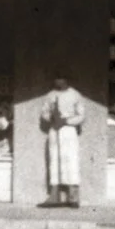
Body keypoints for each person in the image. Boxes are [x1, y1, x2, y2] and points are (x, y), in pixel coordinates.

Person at [40, 76, 85, 208]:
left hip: (68, 130)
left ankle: (73, 197)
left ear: (67, 79)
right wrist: (51, 117)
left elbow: (81, 115)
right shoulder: (50, 95)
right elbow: (44, 112)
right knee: (54, 161)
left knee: (71, 160)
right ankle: (54, 196)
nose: (58, 81)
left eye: (61, 78)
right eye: (56, 78)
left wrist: (66, 121)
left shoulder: (75, 94)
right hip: (54, 129)